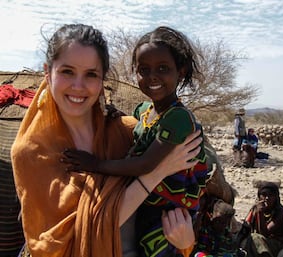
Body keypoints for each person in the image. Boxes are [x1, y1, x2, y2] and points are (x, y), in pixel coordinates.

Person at [10, 24, 202, 257]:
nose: (78, 86)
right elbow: (55, 243)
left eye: (91, 74)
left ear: (102, 79)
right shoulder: (32, 152)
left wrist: (186, 243)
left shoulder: (124, 131)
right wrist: (156, 174)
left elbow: (200, 191)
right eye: (67, 72)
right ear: (47, 72)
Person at [62, 26, 208, 257]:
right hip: (151, 203)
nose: (152, 76)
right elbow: (136, 122)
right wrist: (113, 115)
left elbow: (145, 165)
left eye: (163, 68)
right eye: (143, 70)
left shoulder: (178, 118)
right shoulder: (146, 110)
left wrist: (94, 164)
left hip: (169, 211)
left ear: (180, 72)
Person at [240, 182, 283, 257]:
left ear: (276, 197)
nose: (267, 198)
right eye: (264, 195)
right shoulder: (255, 208)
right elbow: (246, 225)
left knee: (255, 237)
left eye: (270, 195)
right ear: (259, 197)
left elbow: (265, 233)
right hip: (258, 242)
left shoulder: (281, 212)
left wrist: (260, 212)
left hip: (277, 245)